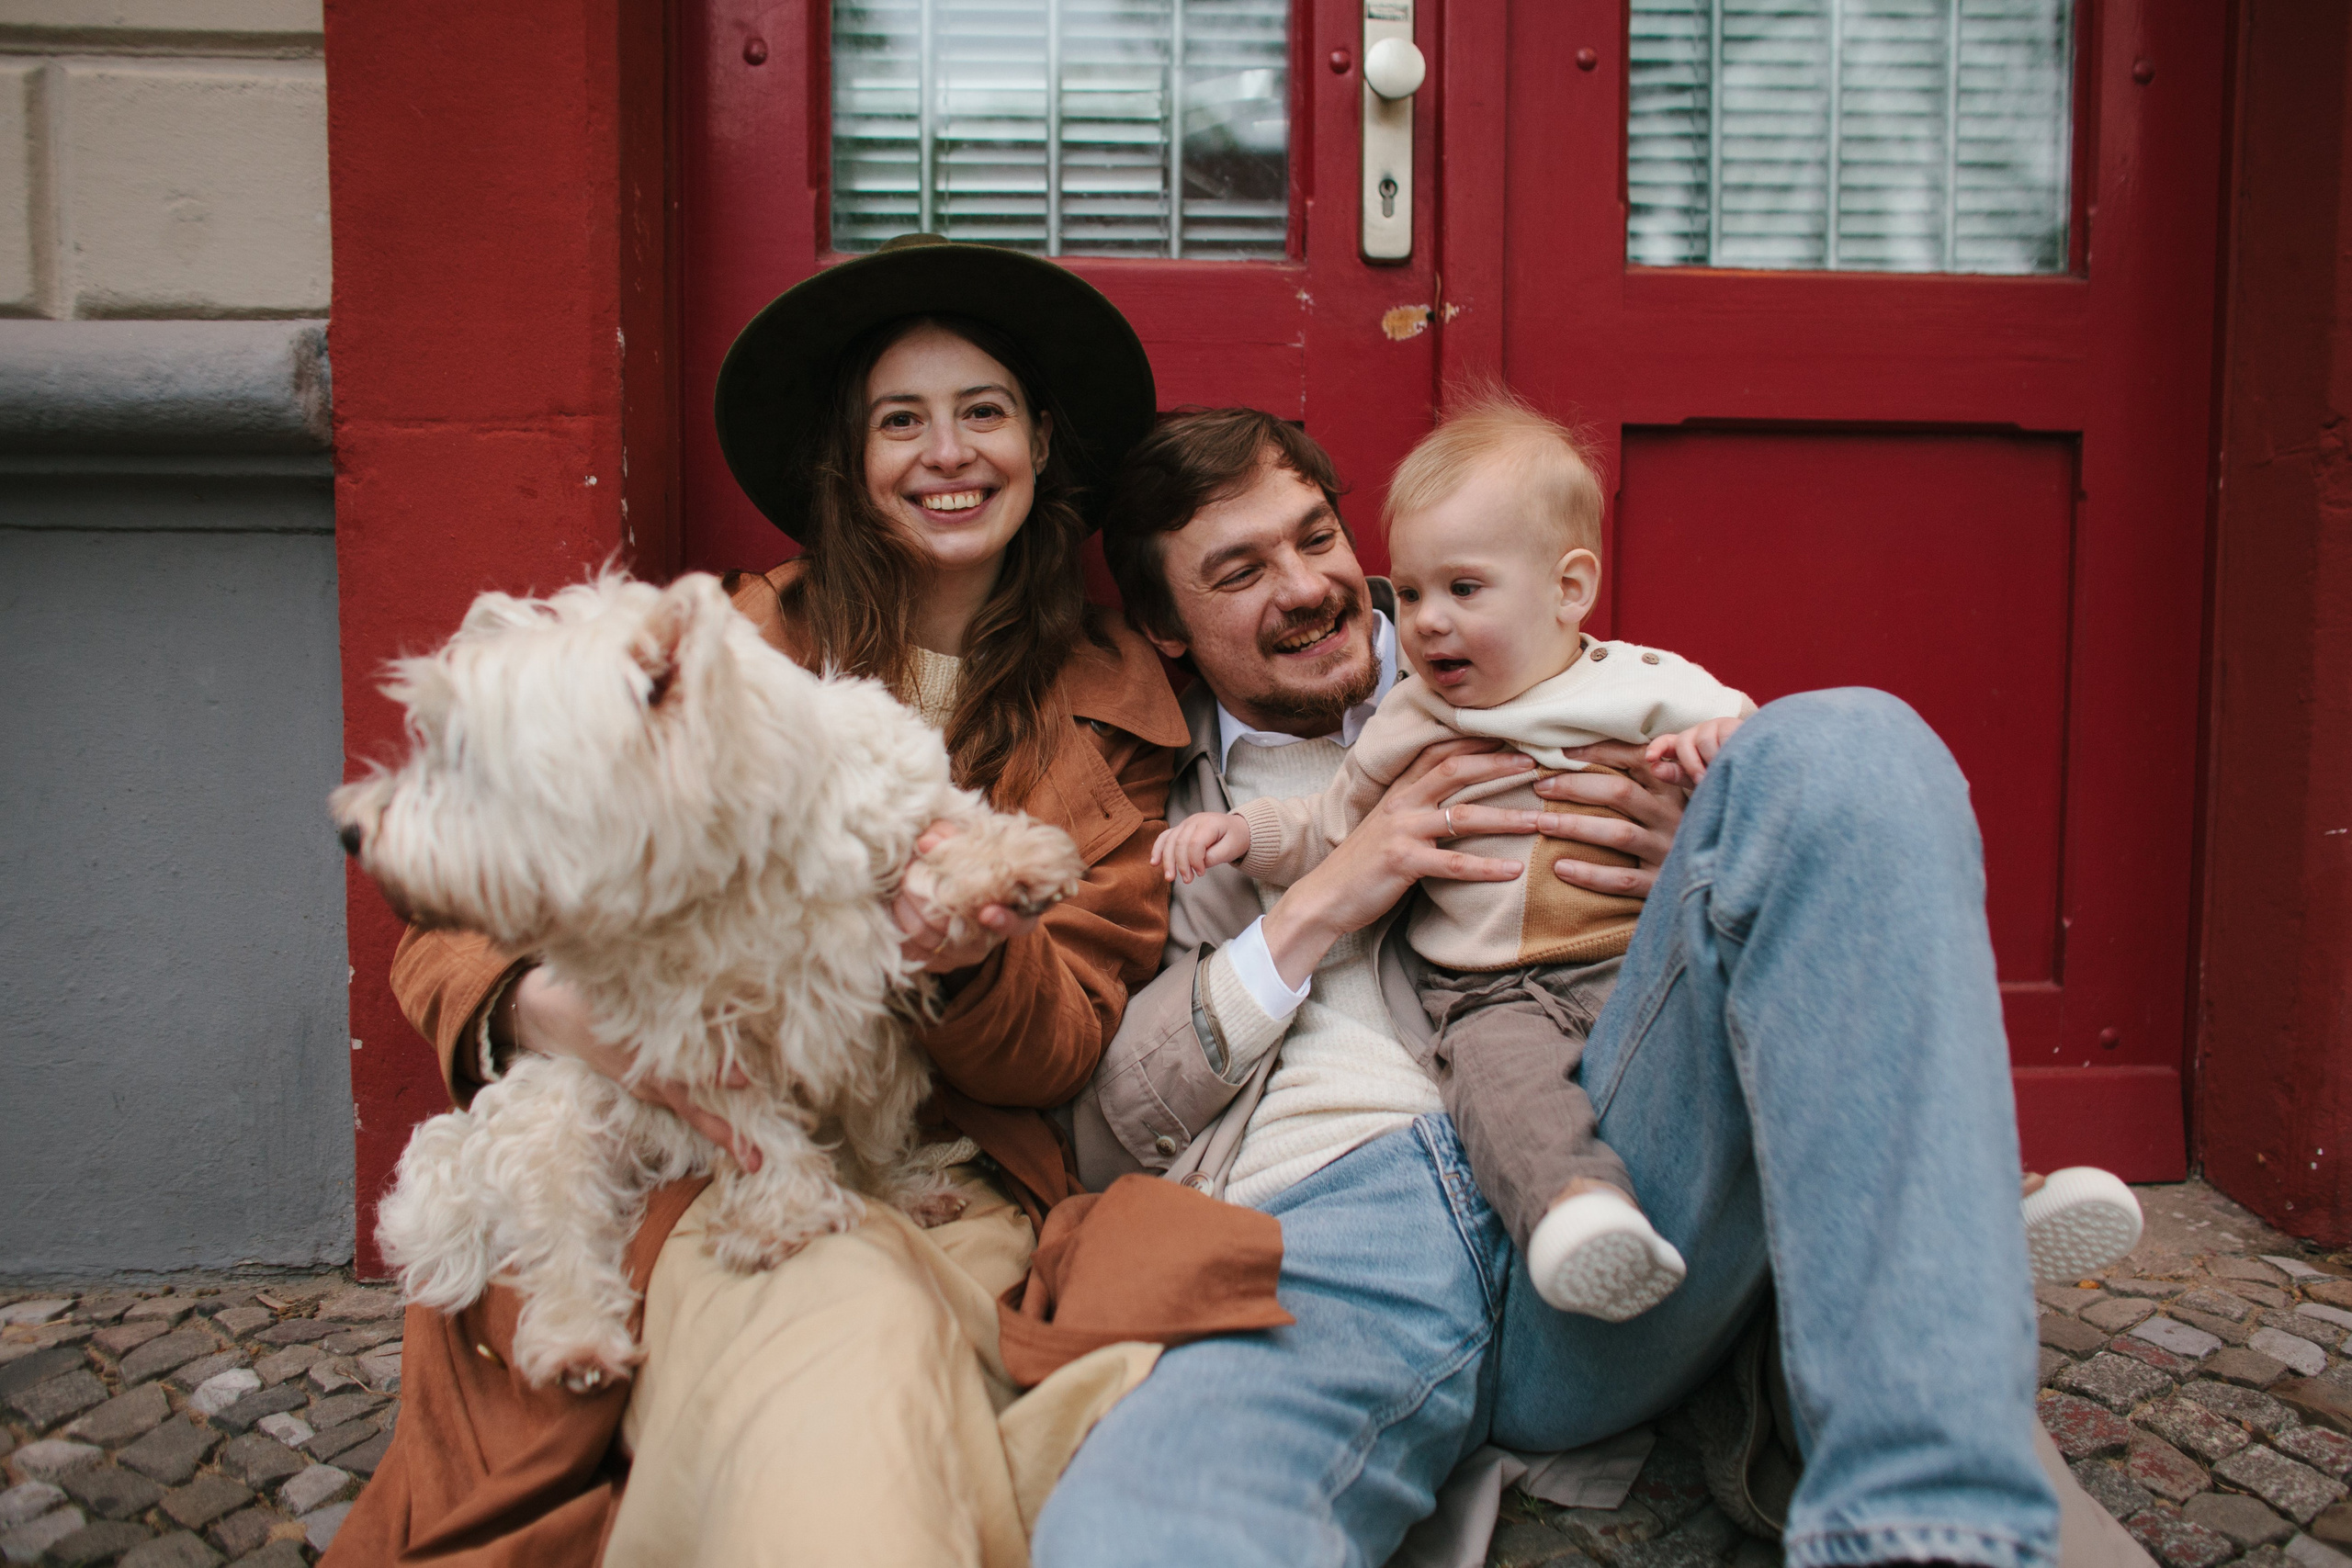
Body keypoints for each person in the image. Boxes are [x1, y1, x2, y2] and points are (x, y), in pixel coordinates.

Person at [1039, 406, 2151, 1568]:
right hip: (1355, 1230)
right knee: (1146, 1525)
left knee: (1850, 745)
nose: (1311, 587)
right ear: (1164, 628)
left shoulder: (1535, 668)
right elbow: (1106, 1128)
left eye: (1318, 538)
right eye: (1240, 572)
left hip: (1625, 1151)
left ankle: (1927, 1527)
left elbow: (1780, 839)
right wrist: (1320, 901)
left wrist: (1702, 860)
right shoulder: (1152, 806)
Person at [354, 235, 1210, 1568]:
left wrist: (965, 956)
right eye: (900, 420)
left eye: (984, 411)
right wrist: (555, 1010)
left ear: (1040, 441)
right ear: (851, 460)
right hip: (690, 1151)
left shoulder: (1117, 710)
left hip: (945, 1166)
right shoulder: (718, 647)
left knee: (884, 1342)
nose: (947, 452)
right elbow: (453, 913)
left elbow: (1064, 1042)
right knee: (832, 1344)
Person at [1154, 392, 1752, 1322]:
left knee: (1755, 1006)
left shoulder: (1637, 683)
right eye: (1413, 592)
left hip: (1633, 969)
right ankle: (1576, 1215)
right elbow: (1329, 822)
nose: (1427, 621)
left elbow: (1752, 757)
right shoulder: (1415, 717)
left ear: (1568, 589)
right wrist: (1252, 838)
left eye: (1463, 590)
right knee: (1502, 1081)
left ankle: (1894, 1188)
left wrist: (1710, 791)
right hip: (1492, 994)